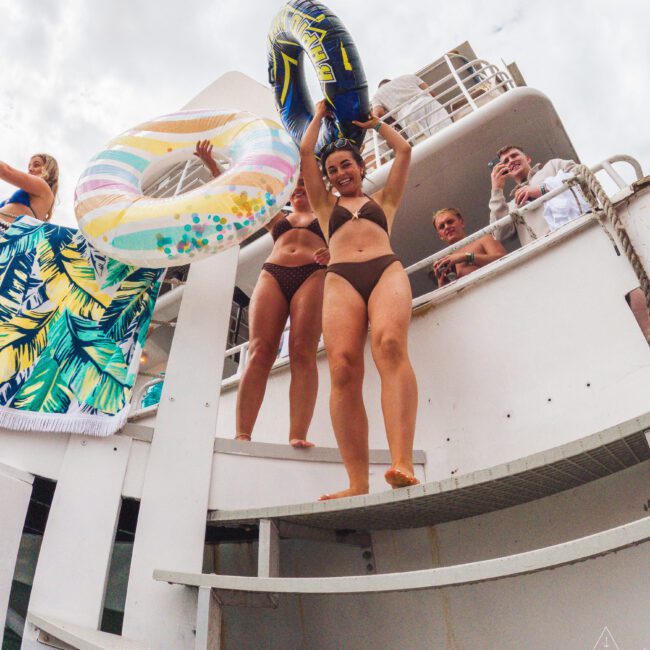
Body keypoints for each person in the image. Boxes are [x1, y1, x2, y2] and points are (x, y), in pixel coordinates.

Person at [300, 100, 418, 499]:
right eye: (332, 169)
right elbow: (305, 153)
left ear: (361, 165)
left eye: (346, 165)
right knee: (344, 368)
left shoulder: (383, 201)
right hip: (341, 279)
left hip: (385, 269)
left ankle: (401, 462)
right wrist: (317, 117)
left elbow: (404, 152)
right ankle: (357, 482)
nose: (339, 173)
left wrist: (376, 123)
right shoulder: (323, 205)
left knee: (389, 345)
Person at [198, 136, 329, 448]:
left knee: (302, 352)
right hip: (274, 273)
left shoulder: (329, 214)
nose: (299, 188)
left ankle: (298, 434)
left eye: (304, 182)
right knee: (259, 351)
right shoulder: (277, 217)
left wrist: (333, 253)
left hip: (313, 275)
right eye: (294, 184)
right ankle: (242, 433)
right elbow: (239, 196)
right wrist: (214, 166)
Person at [489, 145, 586, 245]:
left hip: (579, 233)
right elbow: (499, 234)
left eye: (514, 155)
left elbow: (581, 174)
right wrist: (496, 189)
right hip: (545, 254)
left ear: (527, 158)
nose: (511, 161)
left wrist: (542, 189)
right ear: (506, 171)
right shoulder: (510, 207)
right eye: (506, 161)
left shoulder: (552, 166)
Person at [432, 208, 506, 286]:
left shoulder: (484, 238)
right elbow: (447, 295)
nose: (446, 227)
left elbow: (504, 259)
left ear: (462, 222)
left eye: (450, 222)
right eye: (442, 226)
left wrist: (466, 257)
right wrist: (442, 281)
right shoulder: (444, 262)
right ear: (440, 235)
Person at [371, 75, 452, 142]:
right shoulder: (407, 76)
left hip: (407, 116)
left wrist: (388, 113)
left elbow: (378, 114)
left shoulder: (377, 95)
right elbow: (431, 92)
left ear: (380, 87)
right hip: (427, 102)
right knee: (447, 132)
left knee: (424, 145)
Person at [0, 154, 59, 229]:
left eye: (36, 165)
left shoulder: (43, 187)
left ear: (49, 168)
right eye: (29, 166)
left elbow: (5, 170)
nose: (30, 169)